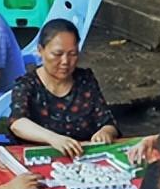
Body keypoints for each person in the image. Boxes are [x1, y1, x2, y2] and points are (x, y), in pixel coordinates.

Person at [9, 19, 117, 154]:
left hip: (83, 157)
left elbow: (108, 122)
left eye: (72, 54)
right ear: (40, 50)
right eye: (57, 54)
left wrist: (105, 132)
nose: (65, 61)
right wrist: (53, 139)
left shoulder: (85, 80)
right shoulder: (27, 84)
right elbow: (17, 123)